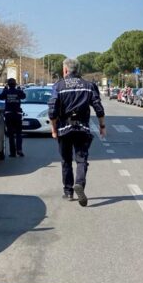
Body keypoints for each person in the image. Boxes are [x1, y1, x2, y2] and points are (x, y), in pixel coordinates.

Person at [48, 58, 106, 207]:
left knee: (66, 160)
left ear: (66, 70)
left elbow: (52, 110)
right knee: (81, 160)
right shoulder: (89, 86)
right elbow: (98, 107)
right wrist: (102, 125)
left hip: (64, 129)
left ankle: (68, 192)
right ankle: (79, 183)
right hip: (82, 128)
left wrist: (54, 129)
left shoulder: (58, 86)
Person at [0, 78, 26, 157]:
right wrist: (20, 90)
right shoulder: (18, 92)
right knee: (18, 133)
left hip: (9, 115)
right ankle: (19, 150)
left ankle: (13, 152)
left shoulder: (6, 92)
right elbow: (24, 96)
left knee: (10, 135)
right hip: (17, 115)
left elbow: (0, 97)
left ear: (8, 84)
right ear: (15, 84)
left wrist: (4, 90)